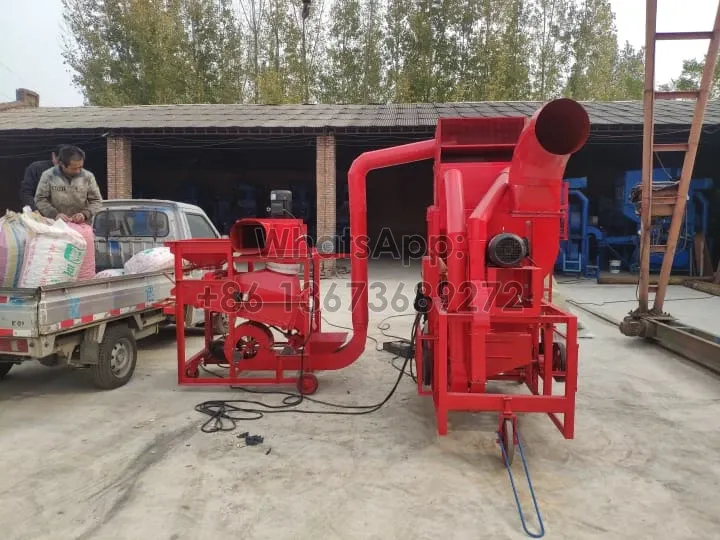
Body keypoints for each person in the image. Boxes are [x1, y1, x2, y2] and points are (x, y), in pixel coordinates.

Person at [34, 145, 103, 223]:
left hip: (82, 226)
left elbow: (97, 201)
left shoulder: (88, 177)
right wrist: (55, 215)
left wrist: (84, 214)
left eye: (80, 167)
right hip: (56, 225)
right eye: (74, 168)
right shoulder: (48, 176)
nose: (78, 171)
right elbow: (40, 199)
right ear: (62, 164)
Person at [19, 145, 66, 211]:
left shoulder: (75, 171)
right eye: (60, 163)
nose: (62, 167)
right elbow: (26, 193)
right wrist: (37, 211)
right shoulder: (36, 168)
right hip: (39, 212)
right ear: (53, 156)